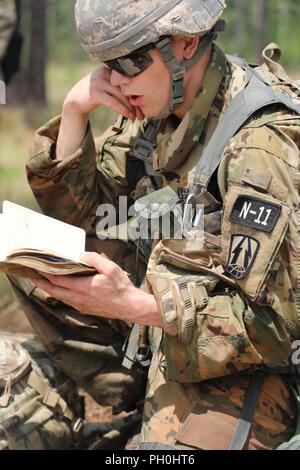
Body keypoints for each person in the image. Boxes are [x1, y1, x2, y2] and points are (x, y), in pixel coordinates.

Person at [12, 0, 300, 450]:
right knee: (37, 269)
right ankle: (129, 398)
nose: (115, 81)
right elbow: (81, 218)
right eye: (107, 65)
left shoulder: (259, 146)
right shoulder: (156, 117)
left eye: (129, 61)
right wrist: (74, 112)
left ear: (185, 44)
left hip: (245, 368)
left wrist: (137, 307)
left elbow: (273, 328)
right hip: (162, 330)